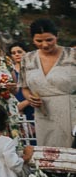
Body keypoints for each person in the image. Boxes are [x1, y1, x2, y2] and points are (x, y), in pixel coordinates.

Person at [20, 18, 76, 149]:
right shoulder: (27, 59)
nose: (44, 45)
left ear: (57, 36)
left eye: (49, 40)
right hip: (43, 114)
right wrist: (31, 98)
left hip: (71, 113)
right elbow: (25, 88)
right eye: (39, 41)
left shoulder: (72, 55)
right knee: (48, 156)